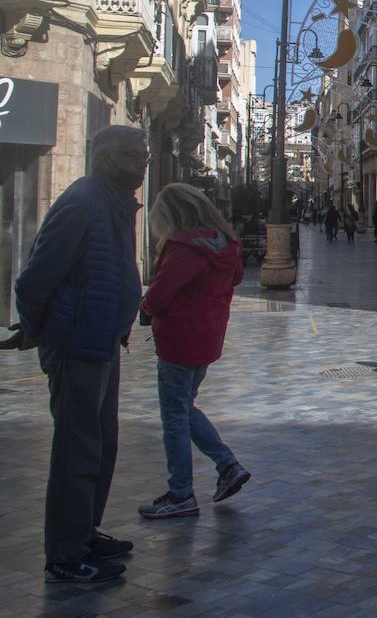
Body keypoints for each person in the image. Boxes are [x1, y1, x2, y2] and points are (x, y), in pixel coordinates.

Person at [3, 126, 147, 583]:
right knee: (77, 449)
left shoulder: (115, 203)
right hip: (77, 344)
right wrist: (37, 328)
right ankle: (64, 552)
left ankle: (84, 531)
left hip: (102, 340)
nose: (142, 163)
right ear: (104, 158)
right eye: (132, 155)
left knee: (102, 444)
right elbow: (34, 278)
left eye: (144, 155)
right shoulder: (83, 202)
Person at [136, 184, 251, 520]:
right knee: (183, 407)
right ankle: (227, 465)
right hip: (207, 338)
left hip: (179, 339)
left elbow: (158, 296)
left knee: (174, 415)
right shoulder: (226, 243)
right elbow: (238, 277)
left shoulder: (185, 248)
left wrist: (144, 308)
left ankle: (181, 492)